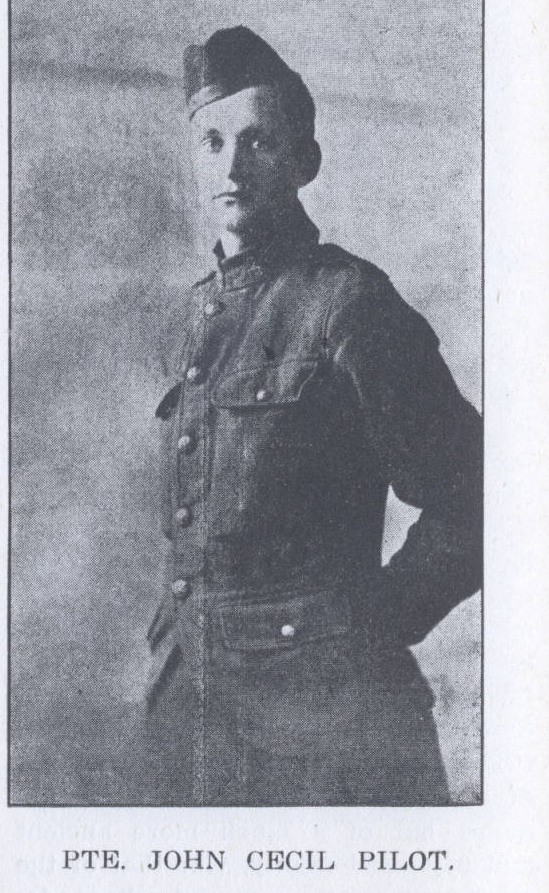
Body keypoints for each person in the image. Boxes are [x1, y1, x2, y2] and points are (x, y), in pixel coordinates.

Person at [141, 25, 482, 805]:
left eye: (258, 141)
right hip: (188, 718)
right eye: (212, 142)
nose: (231, 166)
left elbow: (480, 496)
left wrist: (369, 628)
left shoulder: (349, 304)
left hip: (326, 731)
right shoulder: (189, 321)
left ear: (304, 162)